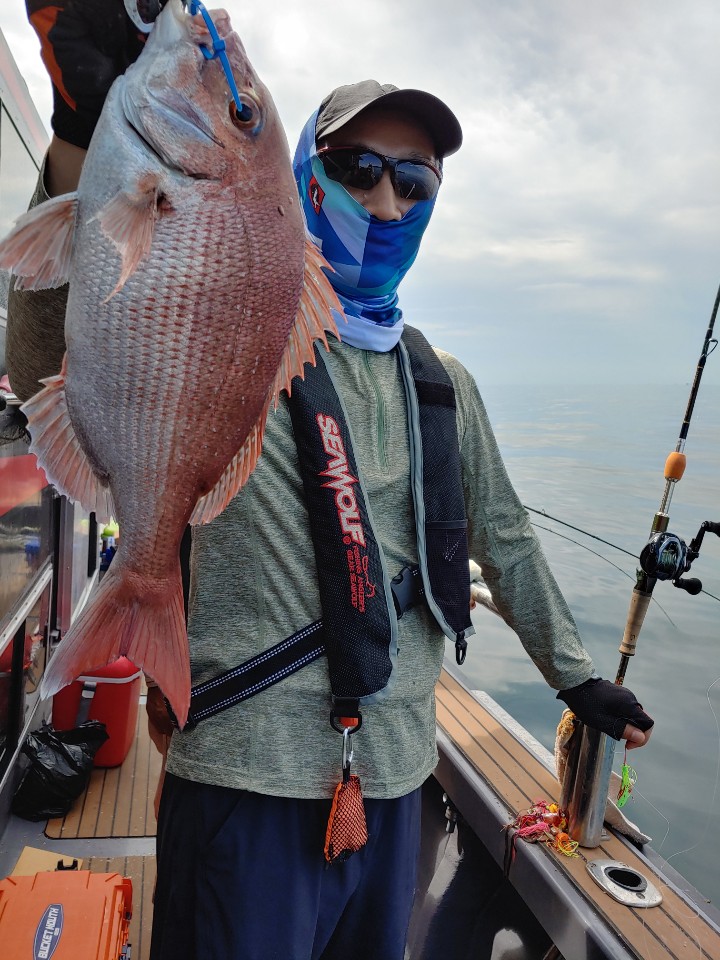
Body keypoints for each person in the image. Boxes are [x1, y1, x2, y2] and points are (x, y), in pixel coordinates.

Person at [11, 4, 654, 959]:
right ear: (299, 178)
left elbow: (505, 534)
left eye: (414, 181)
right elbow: (45, 360)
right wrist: (76, 139)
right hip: (242, 783)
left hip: (395, 782)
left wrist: (575, 674)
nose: (386, 203)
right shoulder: (238, 328)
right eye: (357, 169)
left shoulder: (442, 381)